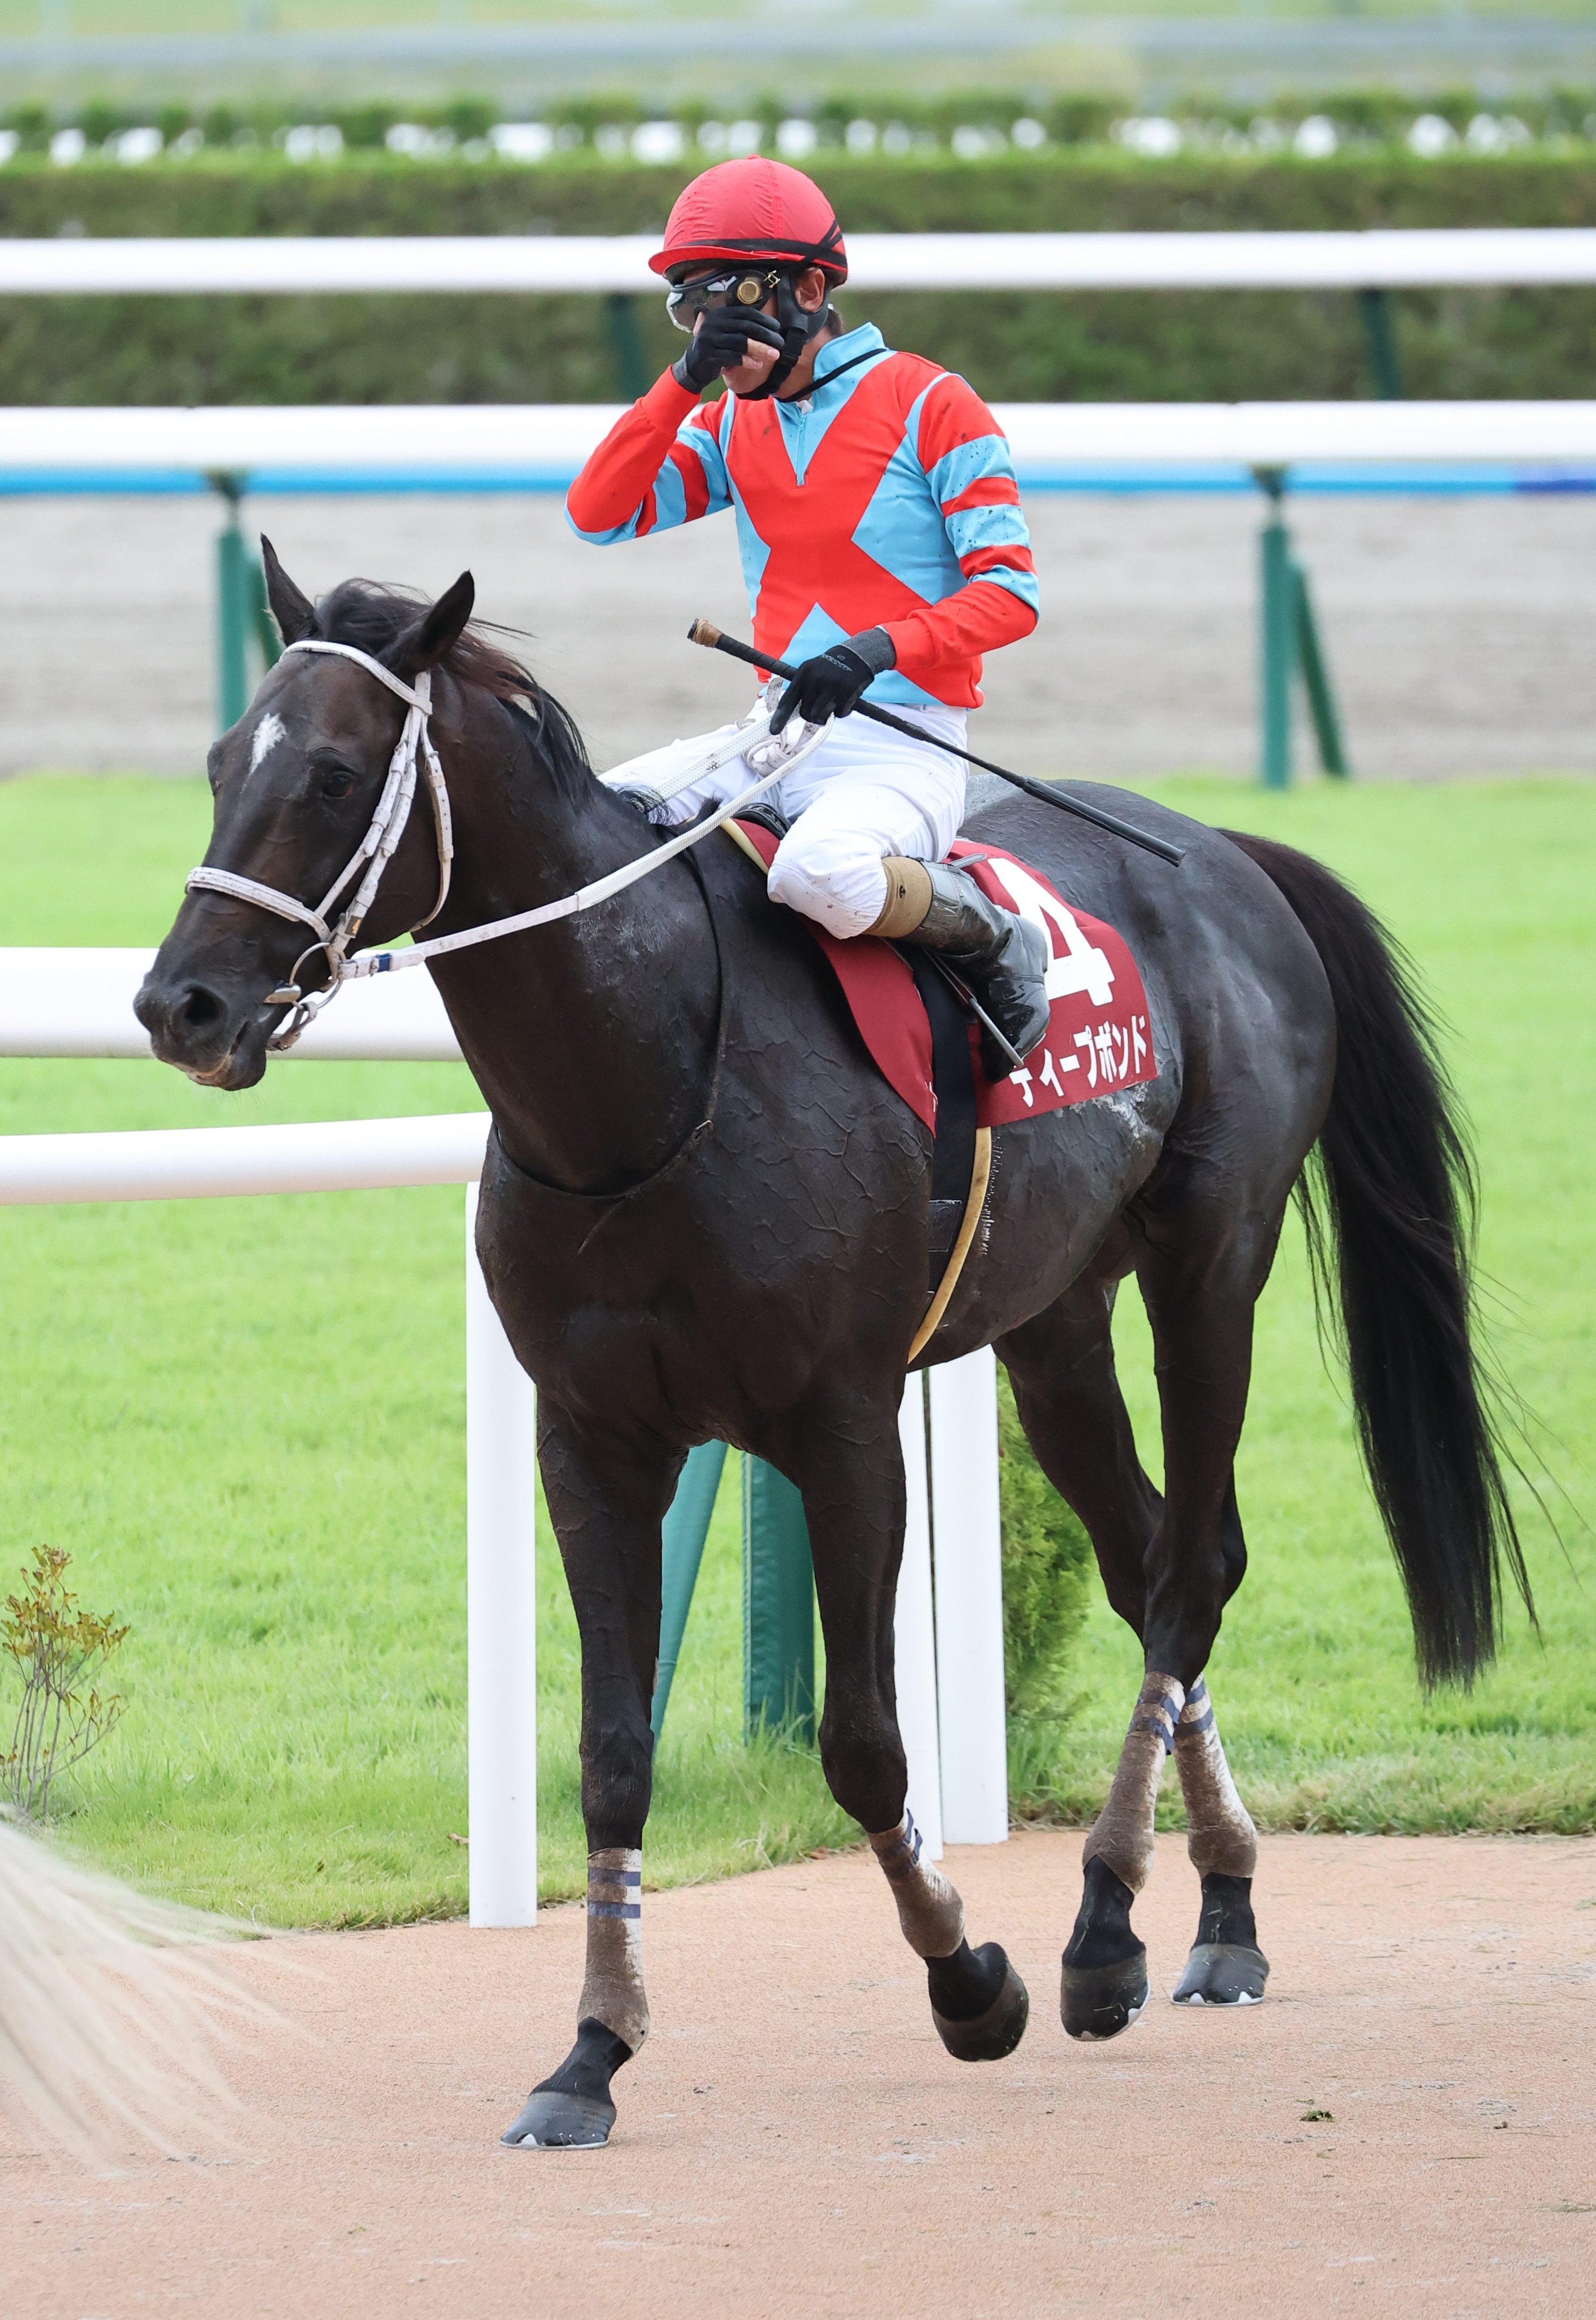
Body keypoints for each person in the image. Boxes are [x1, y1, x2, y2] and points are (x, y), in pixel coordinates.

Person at [565, 154, 1049, 1078]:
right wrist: (680, 385)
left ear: (812, 288)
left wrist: (877, 650)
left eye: (733, 296)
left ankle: (991, 935)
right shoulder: (727, 423)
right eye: (692, 305)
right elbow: (598, 515)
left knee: (817, 875)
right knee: (601, 828)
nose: (716, 326)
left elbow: (1011, 594)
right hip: (773, 737)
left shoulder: (934, 404)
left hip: (907, 740)